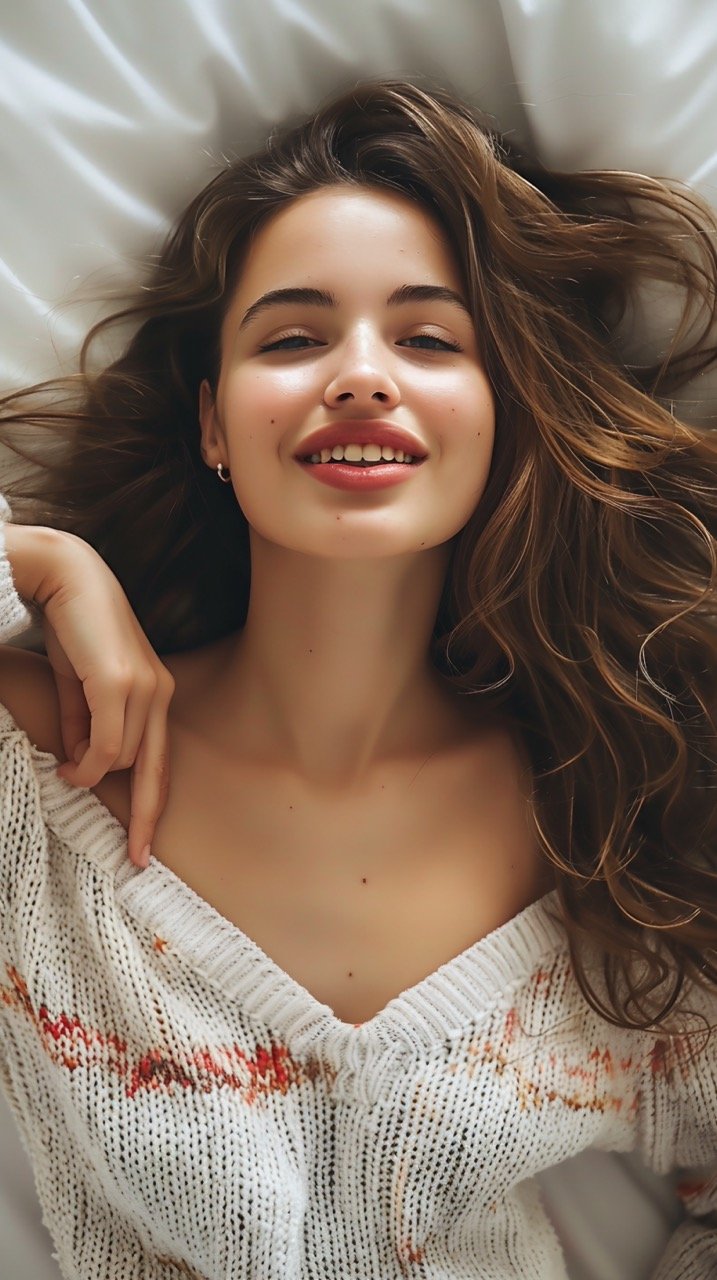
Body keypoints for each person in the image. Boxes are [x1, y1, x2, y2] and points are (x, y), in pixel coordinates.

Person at [0, 77, 715, 1279]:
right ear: (213, 426)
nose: (361, 373)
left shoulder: (622, 832)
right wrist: (37, 563)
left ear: (502, 416)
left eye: (429, 338)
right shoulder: (36, 781)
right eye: (291, 336)